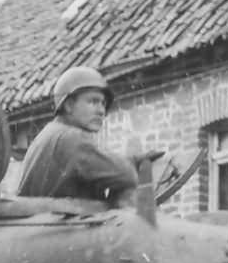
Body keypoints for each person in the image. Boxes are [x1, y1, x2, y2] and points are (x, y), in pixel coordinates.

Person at [16, 66, 138, 204]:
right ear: (69, 105)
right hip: (62, 217)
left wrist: (131, 160)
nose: (101, 111)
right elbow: (127, 174)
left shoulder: (50, 133)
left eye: (103, 104)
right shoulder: (72, 137)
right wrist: (132, 163)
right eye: (93, 102)